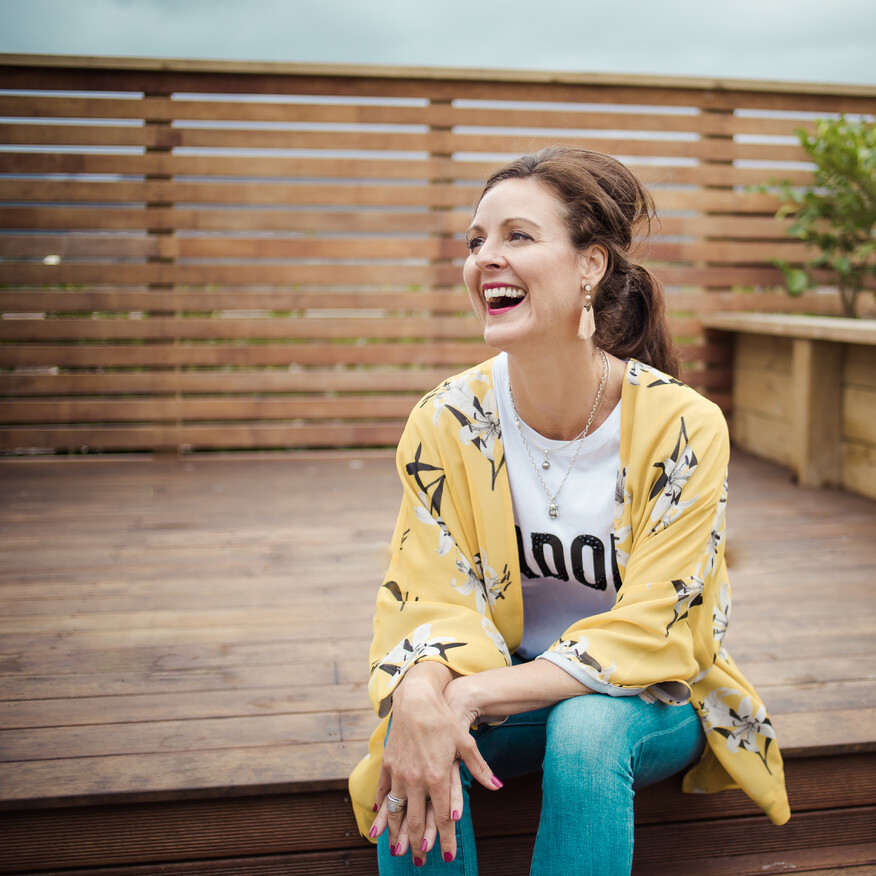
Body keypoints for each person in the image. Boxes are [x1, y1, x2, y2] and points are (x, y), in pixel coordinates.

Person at [349, 146, 790, 874]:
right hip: (505, 681)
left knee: (584, 730)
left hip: (651, 697)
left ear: (591, 266)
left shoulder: (682, 425)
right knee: (417, 725)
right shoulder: (447, 421)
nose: (486, 258)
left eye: (518, 236)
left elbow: (661, 630)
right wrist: (425, 693)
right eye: (475, 241)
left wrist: (472, 696)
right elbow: (425, 594)